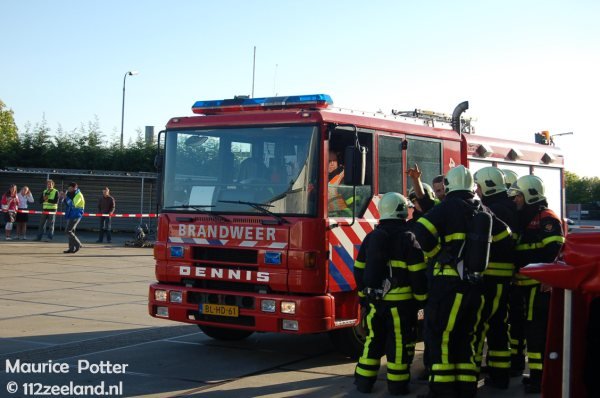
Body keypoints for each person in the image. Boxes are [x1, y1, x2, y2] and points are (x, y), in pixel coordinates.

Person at [412, 165, 509, 398]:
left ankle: (442, 390)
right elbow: (505, 235)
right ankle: (466, 388)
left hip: (448, 285)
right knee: (467, 337)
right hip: (476, 286)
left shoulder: (446, 207)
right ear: (472, 186)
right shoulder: (482, 209)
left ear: (448, 186)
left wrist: (437, 253)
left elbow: (420, 230)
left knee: (441, 335)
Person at [353, 192, 428, 395]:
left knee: (372, 341)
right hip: (401, 306)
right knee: (399, 344)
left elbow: (359, 269)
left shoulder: (371, 237)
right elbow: (417, 273)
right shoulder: (408, 238)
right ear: (403, 210)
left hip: (375, 303)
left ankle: (363, 382)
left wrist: (363, 298)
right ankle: (397, 385)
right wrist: (422, 300)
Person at [507, 175, 565, 394]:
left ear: (529, 194)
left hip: (537, 286)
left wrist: (549, 278)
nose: (515, 201)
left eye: (518, 196)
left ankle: (540, 377)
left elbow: (554, 251)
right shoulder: (523, 218)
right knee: (521, 327)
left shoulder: (546, 218)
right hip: (522, 285)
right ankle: (526, 371)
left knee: (536, 332)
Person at [473, 167, 518, 389]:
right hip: (504, 277)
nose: (477, 191)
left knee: (484, 324)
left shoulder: (494, 209)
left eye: (479, 186)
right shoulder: (509, 206)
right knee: (499, 324)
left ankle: (479, 375)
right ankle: (499, 374)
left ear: (488, 186)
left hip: (491, 276)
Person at [62, 182, 85, 254]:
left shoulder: (78, 195)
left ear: (75, 188)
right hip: (71, 214)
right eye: (68, 188)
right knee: (71, 232)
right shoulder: (69, 193)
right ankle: (71, 248)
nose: (68, 189)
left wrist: (66, 197)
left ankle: (78, 244)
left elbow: (73, 204)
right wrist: (63, 197)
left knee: (68, 231)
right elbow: (66, 203)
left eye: (70, 188)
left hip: (76, 215)